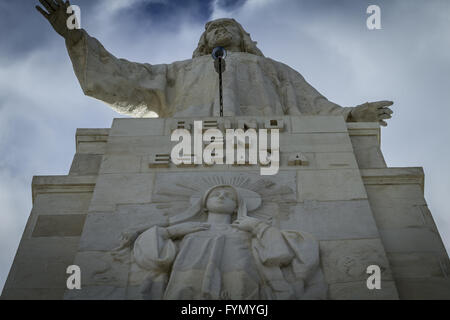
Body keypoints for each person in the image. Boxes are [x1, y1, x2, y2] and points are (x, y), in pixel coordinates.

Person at [36, 1, 394, 125]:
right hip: (186, 144)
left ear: (243, 39)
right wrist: (75, 38)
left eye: (229, 26)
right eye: (213, 29)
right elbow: (126, 80)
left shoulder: (274, 69)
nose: (220, 28)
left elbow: (312, 105)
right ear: (204, 42)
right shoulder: (179, 71)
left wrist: (351, 115)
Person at [128, 185, 327, 300]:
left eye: (228, 196)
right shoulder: (188, 231)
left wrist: (258, 227)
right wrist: (170, 231)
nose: (222, 196)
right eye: (216, 194)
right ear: (204, 205)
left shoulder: (246, 231)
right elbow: (152, 258)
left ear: (236, 207)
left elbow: (279, 255)